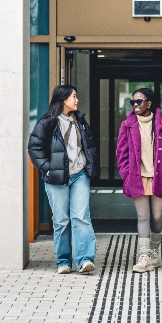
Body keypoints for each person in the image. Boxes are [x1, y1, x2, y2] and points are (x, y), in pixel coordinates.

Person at [28, 85, 98, 274]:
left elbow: (89, 146)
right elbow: (34, 148)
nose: (76, 100)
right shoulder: (47, 122)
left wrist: (90, 166)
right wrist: (47, 170)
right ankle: (64, 261)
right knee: (61, 221)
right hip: (57, 178)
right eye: (73, 96)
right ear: (63, 99)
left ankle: (84, 260)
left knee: (81, 217)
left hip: (80, 175)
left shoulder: (80, 121)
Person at [116, 87, 162, 272]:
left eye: (139, 101)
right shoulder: (127, 125)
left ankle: (154, 252)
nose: (135, 105)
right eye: (132, 102)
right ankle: (144, 256)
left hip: (159, 177)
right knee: (143, 217)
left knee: (157, 217)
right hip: (138, 177)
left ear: (149, 103)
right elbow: (121, 153)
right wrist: (127, 174)